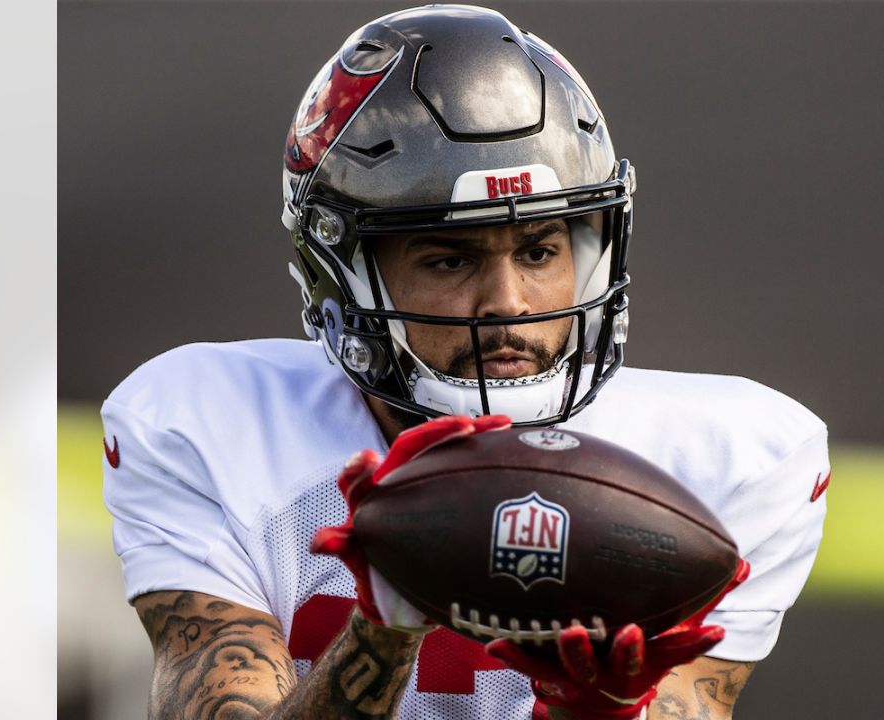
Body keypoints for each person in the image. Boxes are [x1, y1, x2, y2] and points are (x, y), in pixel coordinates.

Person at [101, 5, 831, 719]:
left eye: (540, 251)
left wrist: (600, 715)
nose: (508, 302)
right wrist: (385, 629)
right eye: (450, 258)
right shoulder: (205, 426)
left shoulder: (732, 464)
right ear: (340, 273)